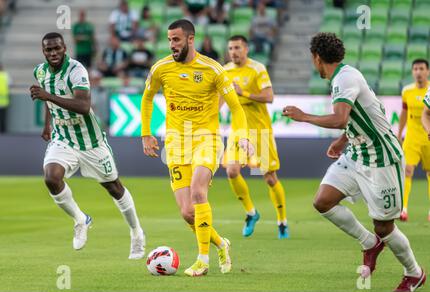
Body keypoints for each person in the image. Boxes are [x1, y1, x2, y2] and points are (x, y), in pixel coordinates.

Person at [283, 32, 426, 292]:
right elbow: (359, 116)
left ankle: (414, 273)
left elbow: (339, 117)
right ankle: (369, 244)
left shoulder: (345, 78)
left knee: (384, 226)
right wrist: (343, 139)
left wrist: (303, 116)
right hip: (358, 152)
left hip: (381, 157)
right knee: (323, 201)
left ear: (317, 58)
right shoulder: (344, 76)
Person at [141, 19, 253, 276]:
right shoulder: (161, 68)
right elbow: (147, 99)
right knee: (187, 212)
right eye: (169, 40)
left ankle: (202, 260)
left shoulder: (212, 69)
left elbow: (235, 107)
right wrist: (146, 134)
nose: (172, 45)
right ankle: (220, 243)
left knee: (198, 191)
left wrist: (243, 137)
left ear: (191, 39)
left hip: (207, 138)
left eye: (177, 40)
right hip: (176, 143)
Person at [29, 32, 145, 259]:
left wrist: (47, 96)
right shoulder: (40, 71)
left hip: (90, 141)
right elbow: (47, 100)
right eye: (48, 50)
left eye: (57, 48)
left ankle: (136, 232)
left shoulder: (76, 71)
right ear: (44, 52)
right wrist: (47, 125)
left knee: (114, 187)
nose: (53, 53)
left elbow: (83, 105)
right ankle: (80, 219)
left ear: (65, 49)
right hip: (63, 137)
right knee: (51, 177)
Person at [222, 35, 288, 239]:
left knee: (269, 178)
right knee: (232, 171)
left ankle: (282, 221)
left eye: (237, 47)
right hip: (238, 131)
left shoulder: (257, 69)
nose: (234, 51)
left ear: (246, 49)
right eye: (231, 48)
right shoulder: (225, 71)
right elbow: (219, 99)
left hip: (260, 131)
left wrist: (244, 94)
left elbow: (269, 97)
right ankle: (251, 213)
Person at [397, 59, 430, 222]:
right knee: (407, 170)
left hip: (428, 136)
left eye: (421, 69)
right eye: (415, 69)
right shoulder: (407, 91)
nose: (418, 72)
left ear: (428, 71)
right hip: (412, 136)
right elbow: (404, 113)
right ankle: (403, 209)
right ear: (412, 72)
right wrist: (399, 132)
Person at [0, 63, 10, 133]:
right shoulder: (5, 75)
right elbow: (10, 84)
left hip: (3, 100)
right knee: (3, 118)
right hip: (4, 101)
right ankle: (3, 131)